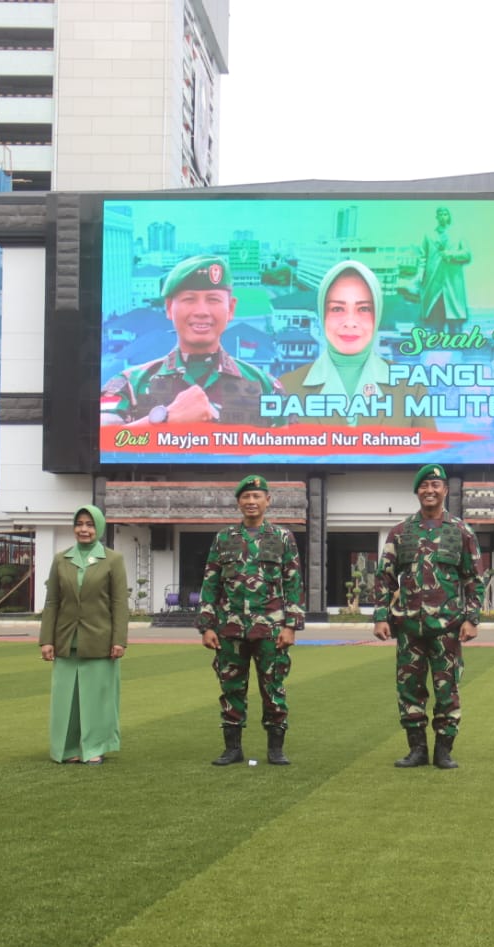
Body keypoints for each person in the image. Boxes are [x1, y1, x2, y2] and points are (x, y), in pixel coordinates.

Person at [372, 464, 482, 769]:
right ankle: (417, 749)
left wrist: (472, 618)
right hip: (409, 626)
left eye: (436, 485)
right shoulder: (400, 532)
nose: (429, 490)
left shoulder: (460, 531)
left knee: (447, 688)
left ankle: (444, 750)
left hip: (447, 626)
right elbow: (384, 577)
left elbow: (473, 578)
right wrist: (381, 616)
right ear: (417, 492)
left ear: (445, 490)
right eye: (424, 486)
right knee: (409, 688)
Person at [198, 474, 305, 767]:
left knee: (274, 688)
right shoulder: (223, 539)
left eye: (257, 496)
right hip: (230, 627)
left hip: (270, 628)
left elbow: (293, 582)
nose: (251, 501)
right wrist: (206, 626)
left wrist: (291, 625)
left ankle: (276, 748)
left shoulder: (282, 537)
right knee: (231, 689)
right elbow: (210, 582)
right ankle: (233, 749)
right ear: (238, 503)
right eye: (245, 497)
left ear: (267, 501)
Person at [101, 254, 283, 427]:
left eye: (213, 299)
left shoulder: (267, 387)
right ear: (170, 308)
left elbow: (291, 452)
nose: (202, 311)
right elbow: (98, 444)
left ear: (231, 308)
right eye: (189, 299)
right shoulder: (129, 385)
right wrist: (165, 420)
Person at [277, 259, 434, 429]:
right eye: (337, 309)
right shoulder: (287, 387)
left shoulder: (410, 386)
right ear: (323, 315)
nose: (350, 322)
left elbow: (432, 452)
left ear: (377, 315)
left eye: (364, 309)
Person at [39, 505, 128, 765]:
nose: (84, 529)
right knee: (66, 698)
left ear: (98, 527)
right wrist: (46, 639)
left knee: (97, 699)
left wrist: (119, 640)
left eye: (90, 524)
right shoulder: (61, 559)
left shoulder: (113, 559)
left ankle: (95, 747)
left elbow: (119, 603)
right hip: (66, 640)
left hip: (100, 639)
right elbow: (52, 602)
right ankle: (67, 749)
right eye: (79, 524)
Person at [417, 206, 472, 334]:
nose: (443, 217)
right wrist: (420, 274)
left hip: (452, 280)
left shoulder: (458, 234)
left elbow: (466, 254)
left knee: (454, 316)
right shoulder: (429, 235)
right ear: (436, 217)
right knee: (435, 316)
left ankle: (455, 342)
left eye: (445, 214)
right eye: (440, 214)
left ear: (449, 216)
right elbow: (423, 256)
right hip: (433, 280)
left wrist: (451, 254)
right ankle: (435, 344)